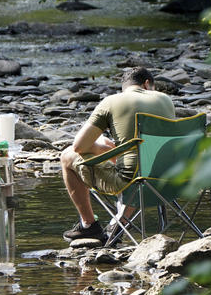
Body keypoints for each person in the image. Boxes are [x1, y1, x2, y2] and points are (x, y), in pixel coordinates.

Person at [60, 67, 175, 241]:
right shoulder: (165, 100)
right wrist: (109, 148)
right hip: (170, 178)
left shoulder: (112, 101)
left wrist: (101, 149)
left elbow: (79, 147)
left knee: (67, 156)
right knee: (136, 161)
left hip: (135, 182)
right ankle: (119, 222)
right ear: (146, 84)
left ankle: (89, 225)